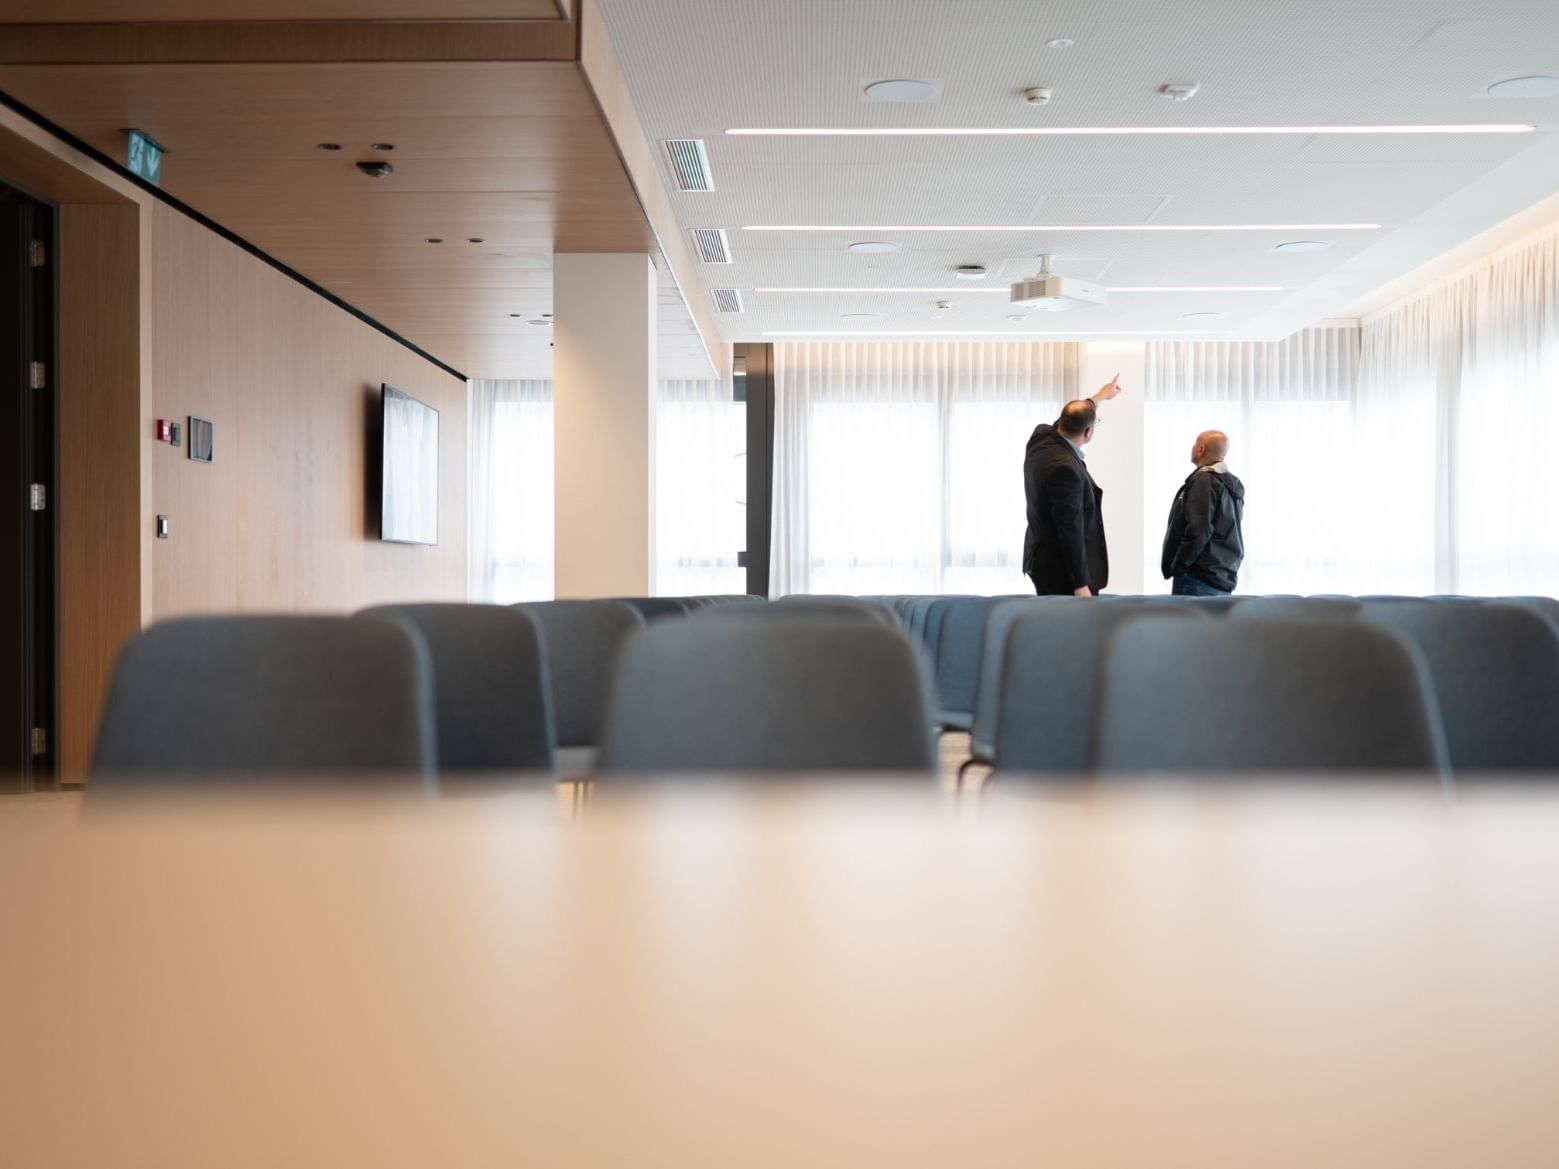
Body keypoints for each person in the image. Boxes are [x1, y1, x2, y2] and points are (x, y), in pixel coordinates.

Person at [1022, 377, 1122, 596]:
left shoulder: (1040, 438)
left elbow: (1070, 418)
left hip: (1040, 559)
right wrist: (1080, 584)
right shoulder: (1065, 470)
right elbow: (1069, 529)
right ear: (1088, 432)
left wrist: (1100, 396)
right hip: (1061, 574)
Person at [1160, 430, 1246, 596]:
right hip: (1221, 578)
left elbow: (1199, 530)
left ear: (1200, 448)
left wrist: (1179, 566)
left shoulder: (1204, 481)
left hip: (1197, 579)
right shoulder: (1232, 484)